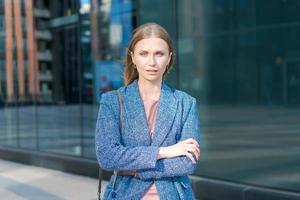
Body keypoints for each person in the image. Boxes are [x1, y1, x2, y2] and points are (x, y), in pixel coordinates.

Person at [95, 22, 201, 200]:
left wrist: (134, 169)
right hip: (124, 195)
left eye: (159, 54)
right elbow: (107, 156)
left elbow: (186, 163)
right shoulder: (112, 101)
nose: (152, 62)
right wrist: (164, 151)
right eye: (143, 54)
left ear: (169, 58)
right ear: (133, 57)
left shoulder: (186, 103)